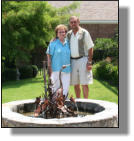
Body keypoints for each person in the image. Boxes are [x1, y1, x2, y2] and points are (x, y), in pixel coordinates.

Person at [67, 16, 94, 99]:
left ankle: (86, 102)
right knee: (75, 84)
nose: (73, 24)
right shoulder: (69, 34)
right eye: (71, 22)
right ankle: (78, 102)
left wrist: (89, 62)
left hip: (83, 60)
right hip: (73, 61)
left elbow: (90, 47)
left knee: (84, 83)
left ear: (78, 22)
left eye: (75, 22)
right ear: (69, 24)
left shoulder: (84, 32)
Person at [46, 24, 71, 99]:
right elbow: (49, 56)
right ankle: (54, 106)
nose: (62, 33)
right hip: (55, 69)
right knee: (55, 89)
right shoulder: (53, 43)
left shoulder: (69, 43)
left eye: (63, 32)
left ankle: (64, 105)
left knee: (65, 89)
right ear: (57, 34)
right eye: (60, 32)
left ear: (65, 33)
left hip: (67, 70)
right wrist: (49, 67)